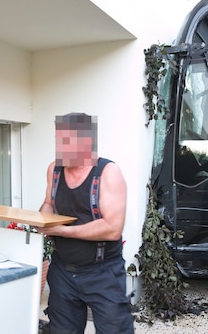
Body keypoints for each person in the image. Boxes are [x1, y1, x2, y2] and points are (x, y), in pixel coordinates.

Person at [37, 113, 135, 334]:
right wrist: (43, 218)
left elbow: (112, 228)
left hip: (103, 273)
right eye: (59, 141)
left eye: (67, 142)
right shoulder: (54, 169)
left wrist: (62, 230)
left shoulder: (108, 173)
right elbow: (48, 203)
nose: (61, 148)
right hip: (63, 271)